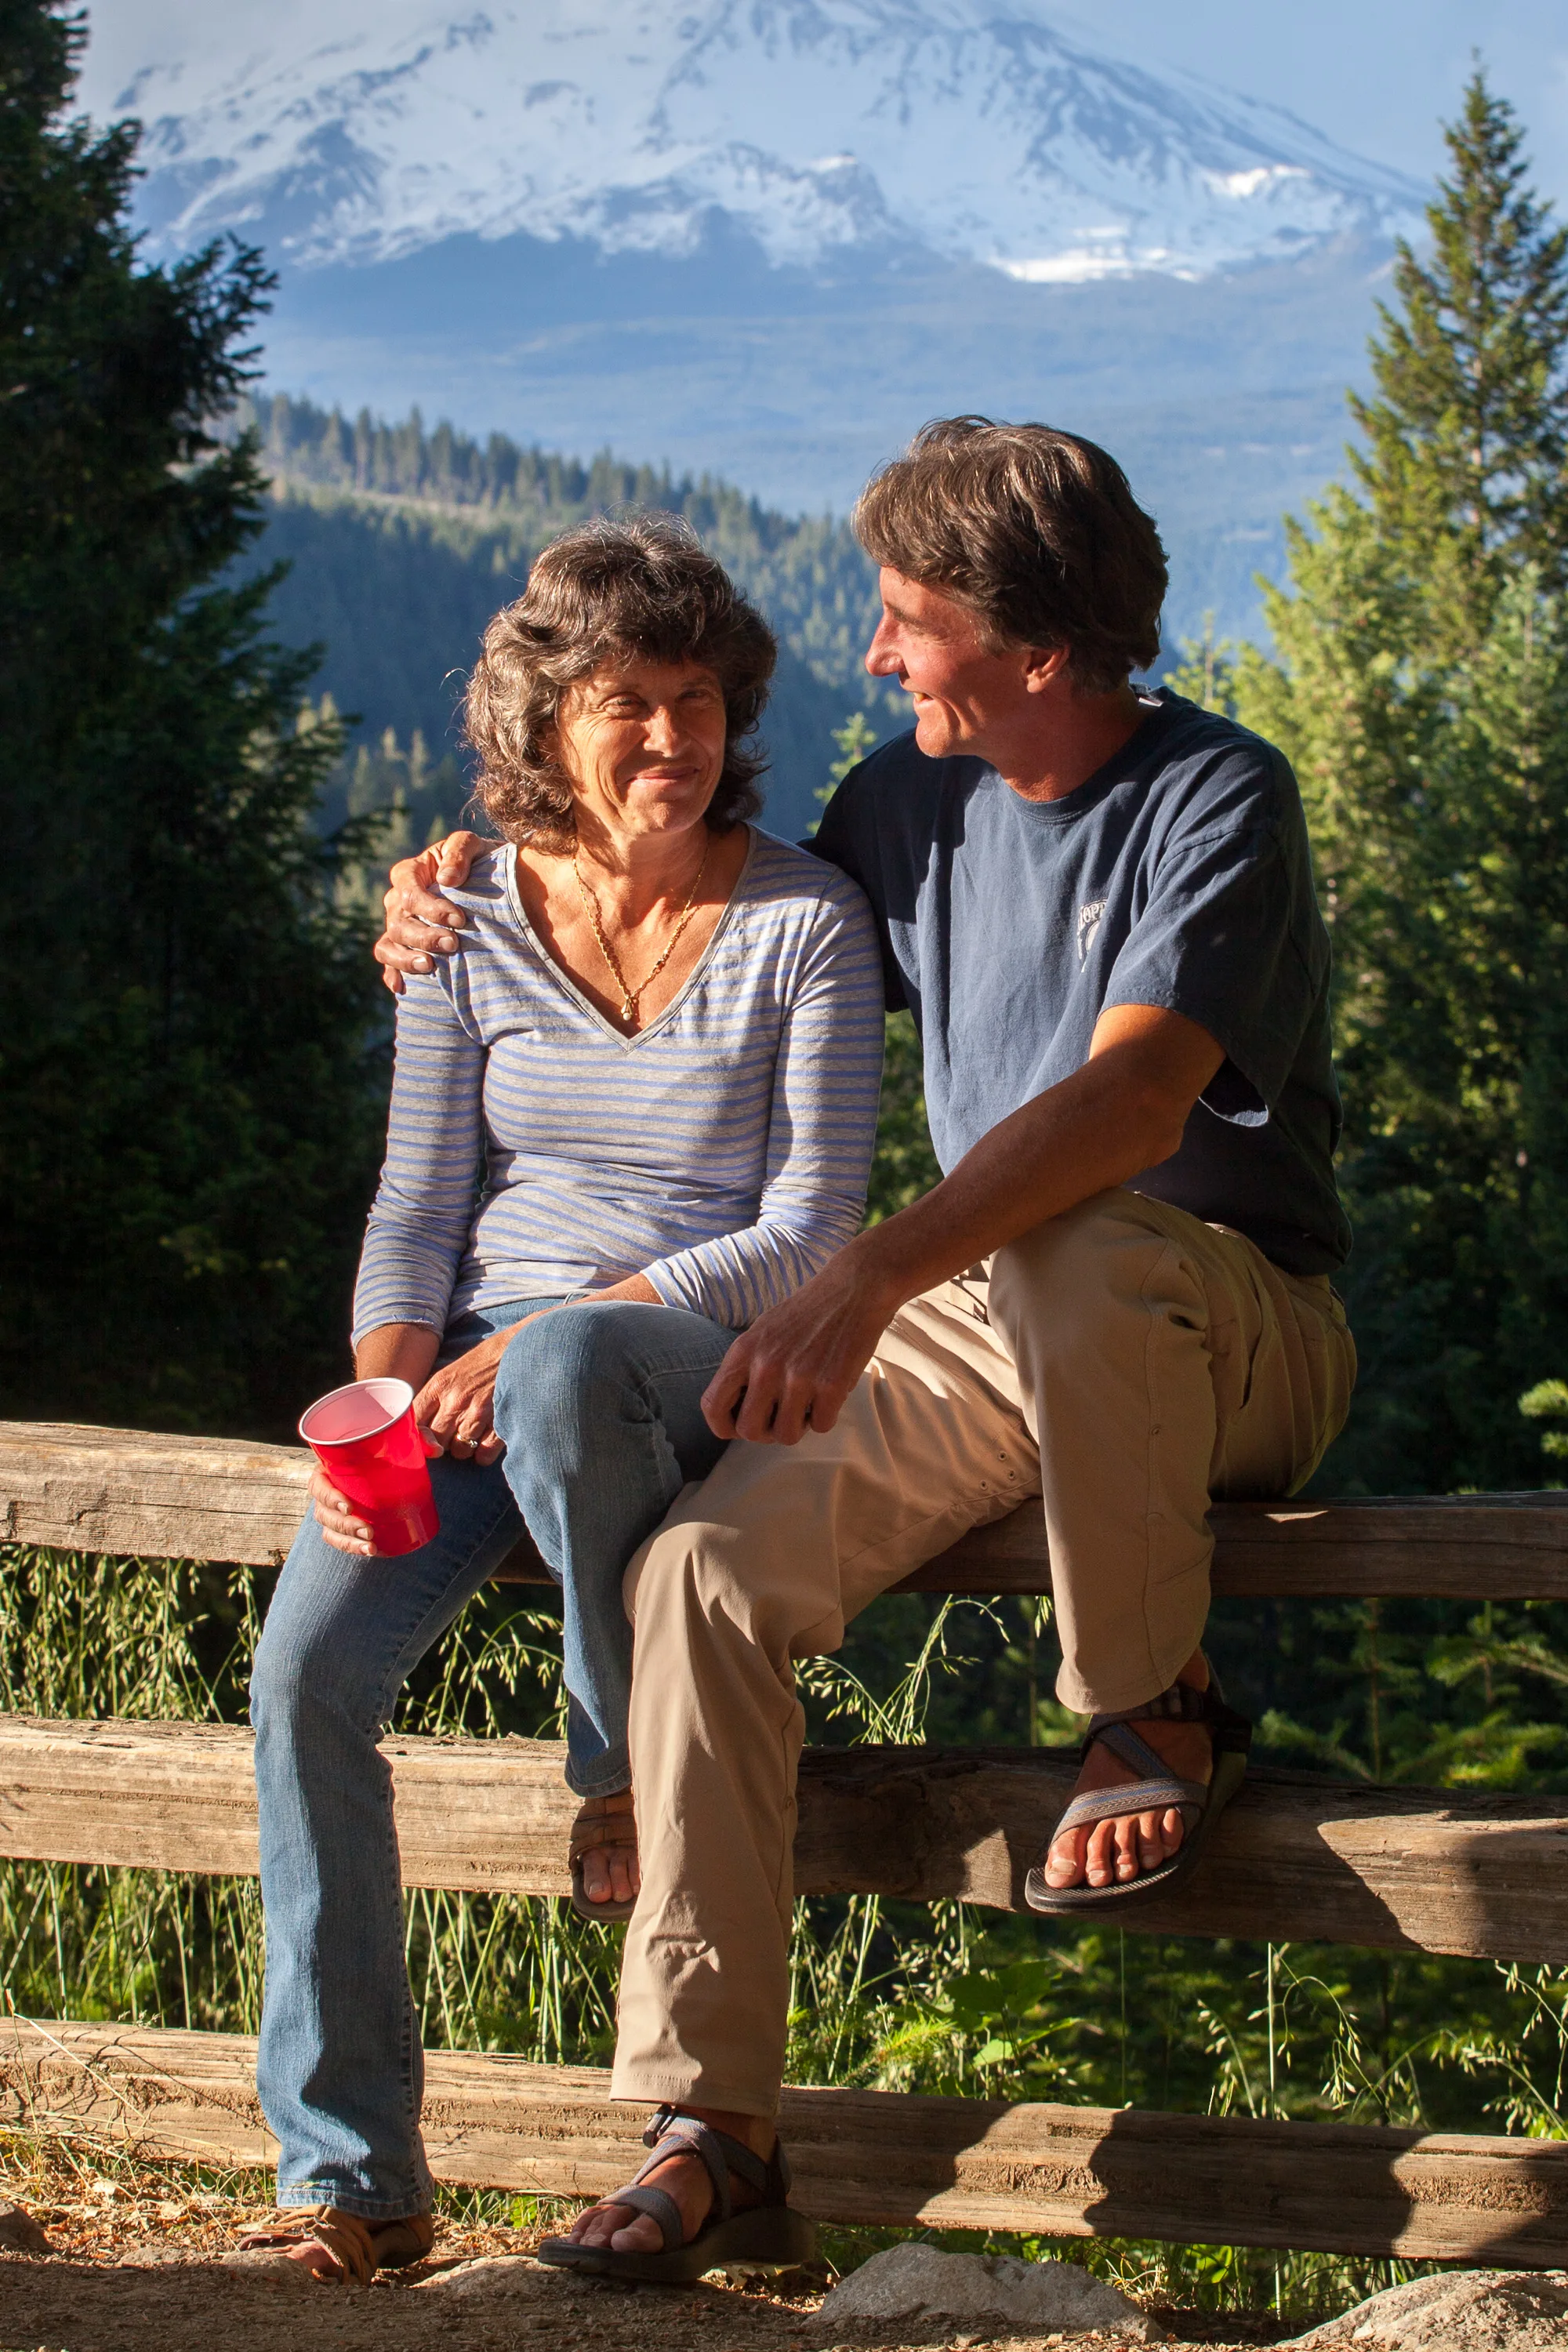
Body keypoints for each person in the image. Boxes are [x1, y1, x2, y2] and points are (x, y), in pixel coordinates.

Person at [374, 418, 1357, 2282]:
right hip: (987, 1318)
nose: (880, 648)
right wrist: (476, 881)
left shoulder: (1217, 795)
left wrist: (862, 1276)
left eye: (911, 618)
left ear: (1035, 646)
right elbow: (709, 897)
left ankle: (1152, 1702)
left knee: (1075, 1239)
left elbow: (1132, 1105)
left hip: (1229, 1318)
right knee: (697, 1580)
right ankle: (709, 2131)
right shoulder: (907, 806)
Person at [240, 516, 884, 2285]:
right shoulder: (459, 918)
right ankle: (353, 2177)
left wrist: (556, 1330)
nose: (672, 739)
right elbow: (416, 1207)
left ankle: (614, 1766)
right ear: (545, 722)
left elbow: (809, 1231)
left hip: (684, 1357)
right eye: (626, 705)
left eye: (699, 701)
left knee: (569, 1359)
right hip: (464, 1379)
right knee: (303, 1683)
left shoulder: (804, 923)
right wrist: (383, 1395)